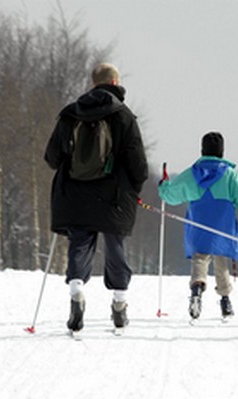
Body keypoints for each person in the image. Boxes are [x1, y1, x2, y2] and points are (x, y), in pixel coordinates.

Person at [44, 63, 148, 332]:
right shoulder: (124, 116)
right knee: (116, 247)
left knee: (80, 244)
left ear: (93, 84)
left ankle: (77, 290)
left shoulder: (71, 114)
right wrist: (134, 189)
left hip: (76, 194)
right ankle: (119, 305)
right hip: (114, 195)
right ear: (115, 82)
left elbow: (52, 157)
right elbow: (137, 163)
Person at [158, 132, 238, 320]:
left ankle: (197, 289)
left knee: (200, 257)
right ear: (221, 151)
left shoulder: (192, 173)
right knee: (222, 260)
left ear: (202, 150)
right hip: (223, 225)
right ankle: (225, 300)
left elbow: (172, 194)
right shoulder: (230, 175)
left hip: (199, 222)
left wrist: (163, 187)